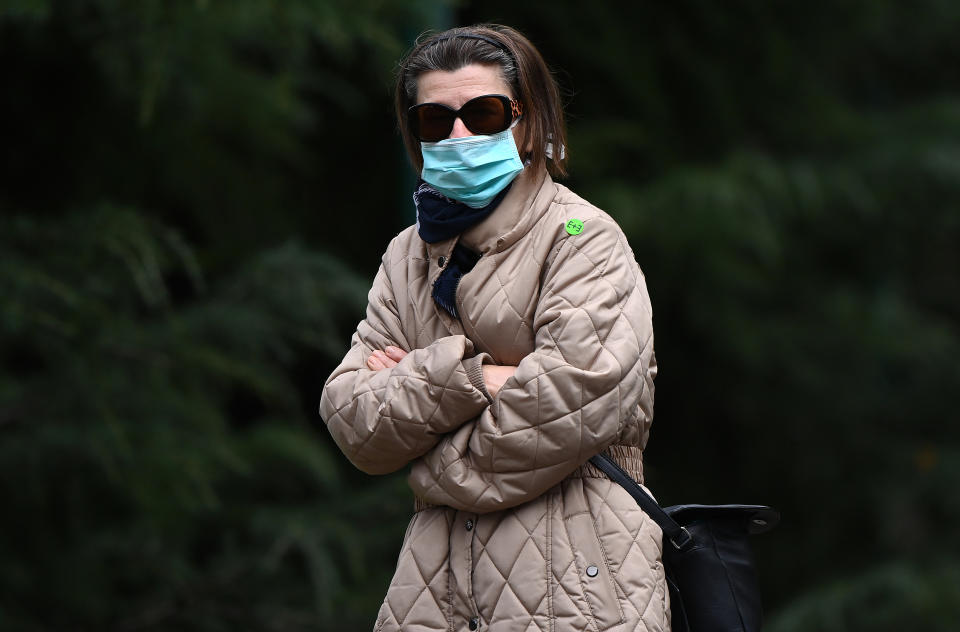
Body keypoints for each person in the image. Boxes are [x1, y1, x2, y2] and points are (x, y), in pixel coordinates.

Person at [320, 23, 668, 632]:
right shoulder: (406, 255)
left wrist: (423, 426)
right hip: (431, 588)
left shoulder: (584, 239)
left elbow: (570, 400)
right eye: (436, 120)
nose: (458, 134)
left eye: (482, 113)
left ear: (526, 123)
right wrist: (480, 377)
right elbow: (353, 419)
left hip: (578, 574)